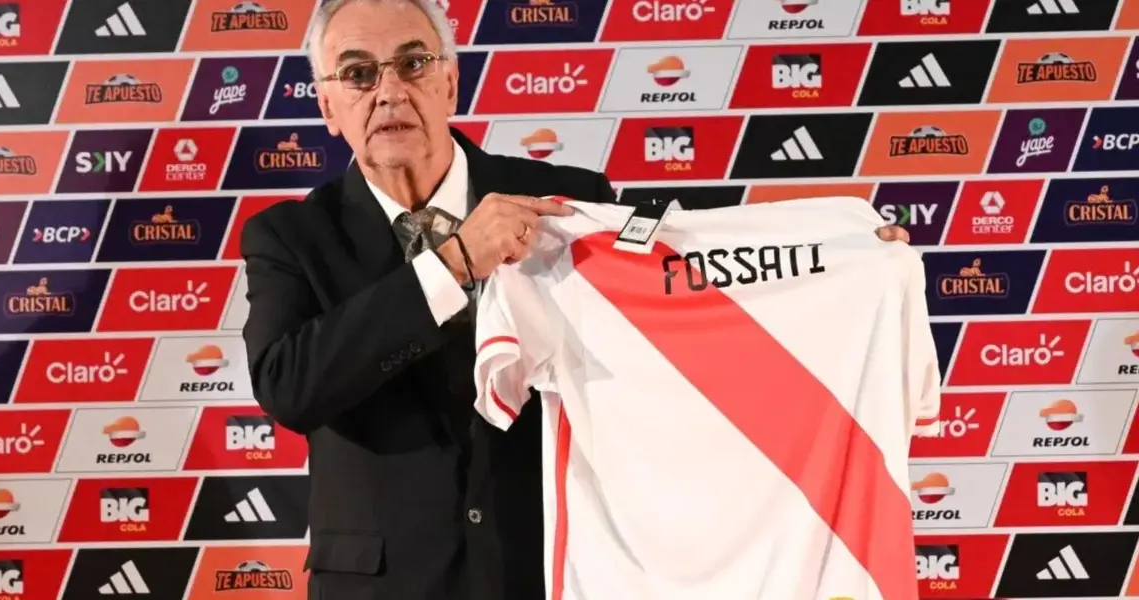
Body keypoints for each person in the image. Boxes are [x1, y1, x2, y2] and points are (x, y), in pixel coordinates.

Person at [239, 1, 910, 600]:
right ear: (327, 107)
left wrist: (843, 260)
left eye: (413, 63)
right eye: (358, 73)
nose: (389, 91)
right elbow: (290, 386)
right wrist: (455, 262)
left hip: (551, 570)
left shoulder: (568, 200)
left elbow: (693, 280)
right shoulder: (290, 237)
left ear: (450, 82)